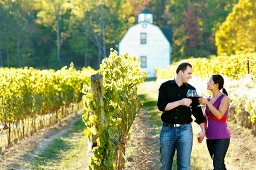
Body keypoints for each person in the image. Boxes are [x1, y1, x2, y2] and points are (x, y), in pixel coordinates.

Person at [157, 62, 206, 170]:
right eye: (189, 73)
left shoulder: (191, 89)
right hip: (167, 130)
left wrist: (203, 130)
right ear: (180, 72)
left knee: (184, 167)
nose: (191, 76)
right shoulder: (165, 86)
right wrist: (180, 102)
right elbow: (162, 106)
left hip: (185, 131)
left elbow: (197, 111)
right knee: (165, 166)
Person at [198, 74, 230, 170]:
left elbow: (219, 115)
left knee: (217, 165)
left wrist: (207, 103)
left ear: (216, 85)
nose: (207, 83)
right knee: (220, 165)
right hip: (210, 137)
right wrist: (203, 132)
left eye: (209, 81)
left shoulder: (224, 98)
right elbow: (204, 118)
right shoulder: (208, 99)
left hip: (222, 137)